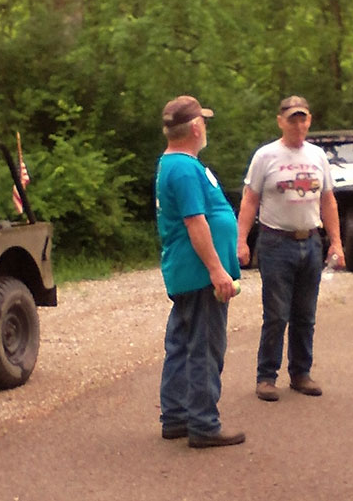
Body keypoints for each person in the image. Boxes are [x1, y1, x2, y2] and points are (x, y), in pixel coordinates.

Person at [237, 95, 345, 402]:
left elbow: (328, 200)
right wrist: (241, 240)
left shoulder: (317, 156)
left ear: (309, 121)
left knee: (305, 314)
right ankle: (266, 377)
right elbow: (250, 199)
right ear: (280, 121)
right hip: (276, 242)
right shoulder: (266, 156)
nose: (298, 125)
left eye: (303, 119)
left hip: (310, 241)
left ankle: (300, 373)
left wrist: (336, 242)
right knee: (276, 314)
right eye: (292, 119)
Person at [155, 95, 245, 448]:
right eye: (203, 122)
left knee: (181, 343)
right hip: (199, 274)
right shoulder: (183, 168)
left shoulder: (176, 164)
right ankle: (204, 424)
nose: (205, 127)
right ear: (195, 128)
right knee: (205, 347)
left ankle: (176, 416)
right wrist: (217, 270)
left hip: (186, 272)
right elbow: (195, 221)